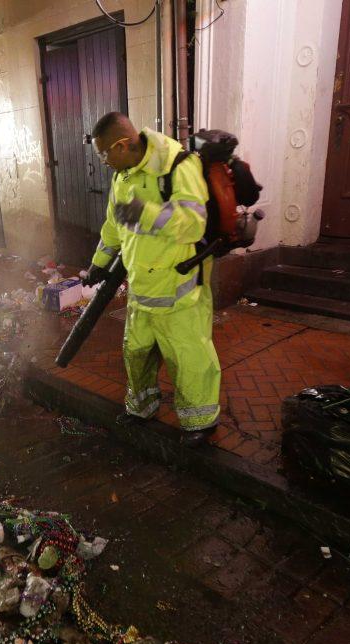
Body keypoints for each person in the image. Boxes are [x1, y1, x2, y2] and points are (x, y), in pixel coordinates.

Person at [83, 112, 221, 447]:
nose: (102, 161)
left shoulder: (176, 166)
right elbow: (114, 225)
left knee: (188, 356)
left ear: (121, 144)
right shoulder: (123, 175)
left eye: (104, 154)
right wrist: (99, 262)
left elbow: (193, 224)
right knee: (136, 351)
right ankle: (141, 407)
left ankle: (201, 422)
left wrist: (144, 214)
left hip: (178, 289)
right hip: (142, 288)